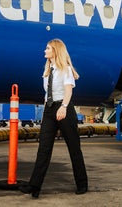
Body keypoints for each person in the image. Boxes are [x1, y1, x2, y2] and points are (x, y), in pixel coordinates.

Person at [19, 38, 88, 198]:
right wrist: (45, 114)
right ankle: (34, 187)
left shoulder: (66, 70)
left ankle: (82, 184)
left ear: (55, 51)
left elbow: (68, 92)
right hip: (50, 110)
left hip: (64, 108)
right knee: (43, 148)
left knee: (74, 148)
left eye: (48, 48)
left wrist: (63, 107)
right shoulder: (48, 71)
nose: (45, 50)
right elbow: (46, 95)